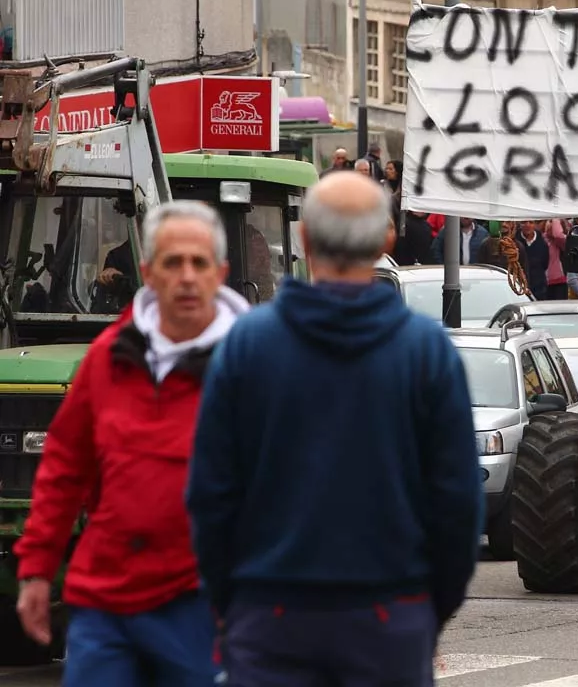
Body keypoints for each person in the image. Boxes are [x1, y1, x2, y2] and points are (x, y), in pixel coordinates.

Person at [186, 171, 483, 687]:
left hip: (269, 615)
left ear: (303, 239)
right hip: (391, 613)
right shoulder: (427, 352)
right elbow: (458, 504)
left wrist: (232, 601)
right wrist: (426, 610)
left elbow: (211, 497)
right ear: (387, 240)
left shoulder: (246, 346)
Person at [15, 201, 250, 686]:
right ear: (146, 271)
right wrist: (37, 568)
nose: (186, 276)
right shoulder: (108, 357)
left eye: (199, 263)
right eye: (172, 262)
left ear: (221, 273)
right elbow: (63, 466)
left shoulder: (255, 364)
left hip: (206, 607)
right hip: (107, 602)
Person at [543, 219, 570, 299]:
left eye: (553, 222)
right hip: (544, 282)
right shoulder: (541, 238)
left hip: (559, 283)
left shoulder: (563, 240)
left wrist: (555, 219)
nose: (550, 224)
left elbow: (557, 235)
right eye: (549, 221)